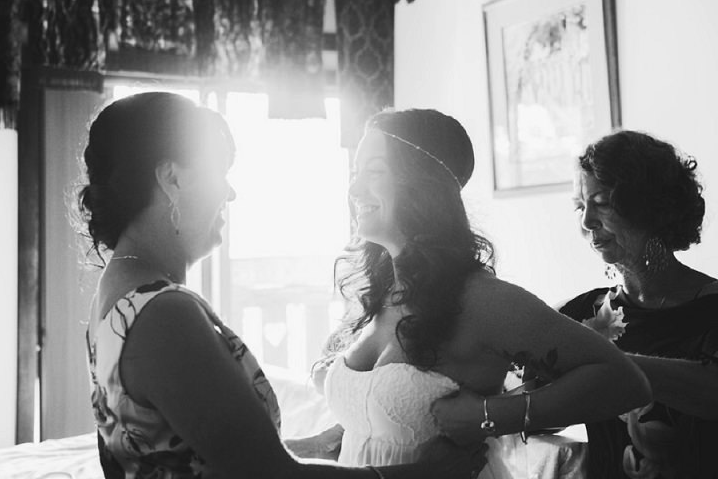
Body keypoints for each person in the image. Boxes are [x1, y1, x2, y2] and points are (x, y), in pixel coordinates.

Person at [77, 92, 478, 479]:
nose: (230, 193)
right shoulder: (165, 313)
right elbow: (273, 476)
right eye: (219, 173)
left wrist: (317, 445)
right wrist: (427, 474)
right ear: (172, 179)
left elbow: (206, 453)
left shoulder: (117, 291)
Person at [309, 108, 651, 477]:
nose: (355, 189)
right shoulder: (379, 293)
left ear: (423, 185)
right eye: (356, 172)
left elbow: (625, 382)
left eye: (374, 171)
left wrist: (490, 415)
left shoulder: (479, 300)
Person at [560, 130, 718, 478]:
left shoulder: (711, 312)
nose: (586, 221)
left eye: (600, 202)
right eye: (579, 206)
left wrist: (602, 363)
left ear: (649, 207)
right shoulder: (579, 315)